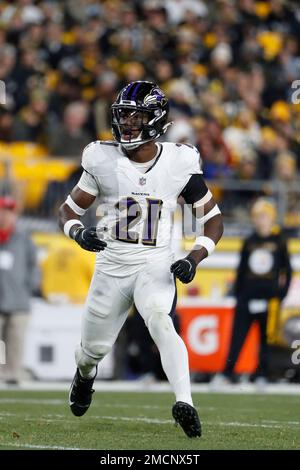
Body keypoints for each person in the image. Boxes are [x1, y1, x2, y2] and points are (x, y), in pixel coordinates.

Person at [58, 81, 223, 438]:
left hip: (155, 263)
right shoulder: (101, 158)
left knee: (161, 321)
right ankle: (85, 376)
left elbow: (213, 220)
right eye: (124, 114)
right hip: (112, 266)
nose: (128, 122)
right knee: (92, 351)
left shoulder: (179, 161)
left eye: (137, 115)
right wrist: (78, 232)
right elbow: (69, 210)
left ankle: (185, 402)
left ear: (157, 120)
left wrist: (194, 257)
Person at [214, 198, 292, 386]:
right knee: (237, 337)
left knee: (266, 339)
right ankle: (228, 373)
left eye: (263, 216)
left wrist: (281, 295)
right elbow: (240, 271)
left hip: (269, 299)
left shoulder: (279, 240)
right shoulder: (249, 241)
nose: (260, 220)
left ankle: (262, 374)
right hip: (247, 298)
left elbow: (286, 270)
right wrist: (239, 295)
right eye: (257, 217)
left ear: (271, 217)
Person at [0, 196, 37, 385]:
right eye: (2, 211)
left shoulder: (23, 237)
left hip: (18, 300)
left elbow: (33, 265)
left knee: (15, 342)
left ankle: (12, 374)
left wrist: (29, 287)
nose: (5, 216)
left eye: (9, 212)